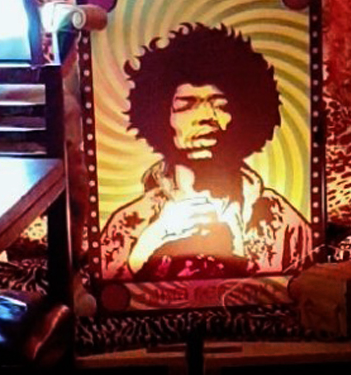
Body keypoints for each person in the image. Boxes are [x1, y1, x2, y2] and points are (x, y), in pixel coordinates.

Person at [100, 22, 312, 280]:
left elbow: (311, 289)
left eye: (220, 104)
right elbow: (97, 295)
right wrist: (144, 252)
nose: (205, 117)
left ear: (245, 114)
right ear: (160, 117)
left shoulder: (283, 222)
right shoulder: (129, 225)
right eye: (185, 105)